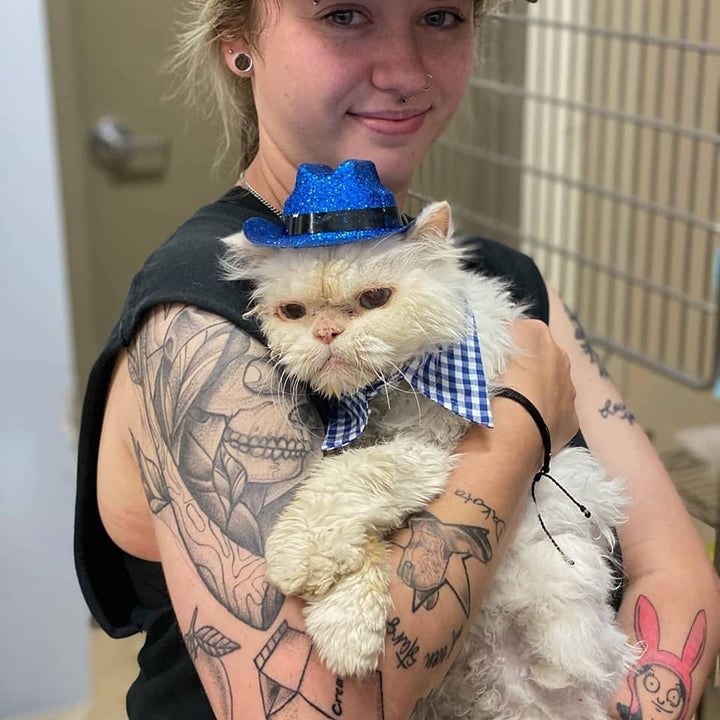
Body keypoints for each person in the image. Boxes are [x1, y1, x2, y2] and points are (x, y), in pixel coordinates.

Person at [74, 1, 720, 719]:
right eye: (344, 14)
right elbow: (313, 708)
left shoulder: (507, 279)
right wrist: (515, 427)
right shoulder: (200, 314)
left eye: (442, 16)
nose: (404, 69)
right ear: (240, 45)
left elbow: (673, 569)